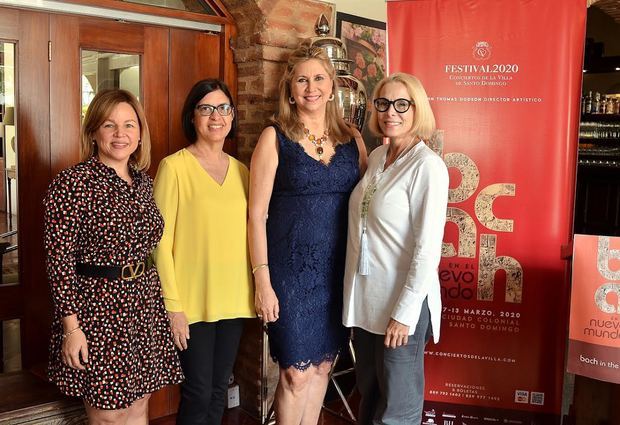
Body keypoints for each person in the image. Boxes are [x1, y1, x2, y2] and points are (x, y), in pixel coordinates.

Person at [44, 89, 184, 424]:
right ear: (93, 132)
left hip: (143, 305)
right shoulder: (72, 183)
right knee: (108, 415)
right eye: (109, 125)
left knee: (138, 406)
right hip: (98, 311)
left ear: (140, 133)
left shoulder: (143, 183)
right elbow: (58, 262)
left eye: (129, 125)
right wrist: (71, 328)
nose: (120, 134)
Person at [249, 44, 367, 424]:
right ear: (290, 89)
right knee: (295, 374)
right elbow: (255, 215)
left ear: (332, 87)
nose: (310, 87)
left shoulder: (353, 140)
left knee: (321, 369)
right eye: (302, 79)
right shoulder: (275, 136)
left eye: (319, 78)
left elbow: (369, 204)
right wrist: (262, 281)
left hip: (336, 273)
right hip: (290, 273)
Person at [342, 72, 449, 424]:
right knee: (369, 396)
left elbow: (427, 250)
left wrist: (404, 313)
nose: (392, 112)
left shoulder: (428, 167)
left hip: (402, 304)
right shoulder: (377, 156)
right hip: (369, 299)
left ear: (418, 109)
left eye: (402, 104)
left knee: (397, 409)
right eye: (384, 103)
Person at [153, 79, 254, 425]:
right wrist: (173, 307)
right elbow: (160, 244)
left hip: (233, 301)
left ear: (232, 116)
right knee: (197, 392)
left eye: (224, 108)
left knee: (218, 391)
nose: (216, 116)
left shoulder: (242, 172)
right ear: (192, 117)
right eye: (206, 108)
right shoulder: (174, 168)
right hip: (191, 304)